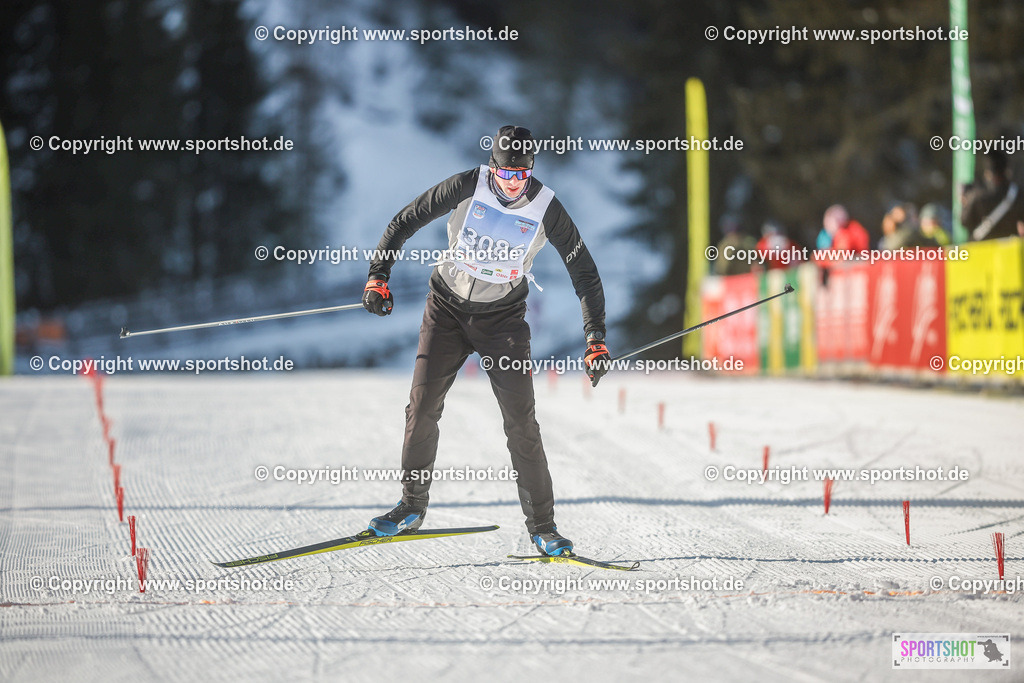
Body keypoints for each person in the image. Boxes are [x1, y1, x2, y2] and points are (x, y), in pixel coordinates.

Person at [360, 125, 609, 557]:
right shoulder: (465, 185)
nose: (514, 184)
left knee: (521, 422)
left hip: (503, 322)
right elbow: (405, 221)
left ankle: (544, 527)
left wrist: (595, 337)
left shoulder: (547, 206)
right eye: (506, 174)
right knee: (421, 407)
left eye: (522, 175)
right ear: (492, 166)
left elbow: (584, 273)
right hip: (446, 311)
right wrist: (378, 277)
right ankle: (410, 507)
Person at [962, 151, 1024, 241]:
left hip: (982, 250)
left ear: (988, 173)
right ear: (1006, 171)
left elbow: (965, 222)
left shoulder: (977, 197)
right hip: (1010, 252)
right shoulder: (1018, 196)